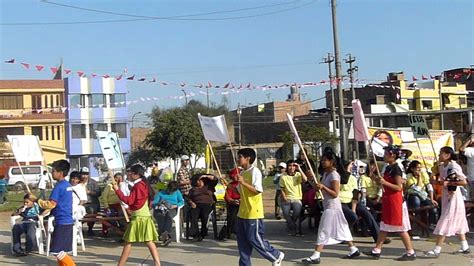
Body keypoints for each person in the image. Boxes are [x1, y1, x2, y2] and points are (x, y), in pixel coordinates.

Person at [301, 152, 360, 264]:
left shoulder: (334, 175)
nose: (323, 162)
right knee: (343, 228)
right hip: (328, 205)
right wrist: (311, 180)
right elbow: (318, 188)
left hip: (332, 207)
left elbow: (335, 193)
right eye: (322, 160)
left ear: (331, 162)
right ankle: (353, 249)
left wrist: (324, 187)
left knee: (323, 229)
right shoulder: (326, 174)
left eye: (325, 160)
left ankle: (316, 255)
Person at [364, 145, 416, 261]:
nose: (384, 156)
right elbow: (381, 183)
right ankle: (377, 250)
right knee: (384, 226)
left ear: (392, 155)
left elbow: (398, 187)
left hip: (396, 201)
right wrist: (373, 177)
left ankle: (410, 251)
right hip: (388, 200)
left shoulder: (397, 169)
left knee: (401, 228)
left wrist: (384, 182)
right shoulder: (388, 168)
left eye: (386, 153)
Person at [235, 148, 284, 266]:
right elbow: (240, 191)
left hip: (253, 212)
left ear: (248, 158)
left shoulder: (255, 171)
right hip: (242, 212)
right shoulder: (241, 173)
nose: (238, 159)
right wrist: (230, 185)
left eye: (240, 157)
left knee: (254, 239)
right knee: (242, 244)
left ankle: (275, 255)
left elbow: (257, 190)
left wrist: (244, 183)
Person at [424, 146, 470, 257]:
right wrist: (434, 179)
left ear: (447, 155)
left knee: (445, 220)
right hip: (446, 196)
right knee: (457, 219)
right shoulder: (441, 166)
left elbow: (464, 181)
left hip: (453, 197)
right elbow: (441, 180)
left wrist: (449, 183)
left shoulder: (454, 166)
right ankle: (465, 246)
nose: (439, 155)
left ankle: (437, 249)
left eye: (441, 153)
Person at [112, 164, 160, 266]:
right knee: (149, 241)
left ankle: (120, 265)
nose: (129, 174)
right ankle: (157, 263)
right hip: (145, 215)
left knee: (128, 242)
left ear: (136, 174)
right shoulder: (144, 184)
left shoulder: (138, 186)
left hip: (138, 217)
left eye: (131, 172)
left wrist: (117, 190)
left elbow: (129, 200)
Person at [37, 159, 75, 265]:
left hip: (62, 221)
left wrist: (37, 200)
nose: (51, 173)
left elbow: (51, 204)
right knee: (61, 251)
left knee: (56, 251)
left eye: (53, 171)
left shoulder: (59, 187)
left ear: (60, 173)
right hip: (67, 220)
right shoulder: (67, 185)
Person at [339, 162, 382, 244]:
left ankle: (378, 236)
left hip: (351, 202)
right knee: (351, 216)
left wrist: (354, 208)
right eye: (350, 167)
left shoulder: (353, 178)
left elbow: (355, 194)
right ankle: (344, 236)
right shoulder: (339, 177)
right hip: (340, 202)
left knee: (365, 211)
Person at [405, 160, 438, 226]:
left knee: (433, 207)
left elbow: (429, 186)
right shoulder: (409, 176)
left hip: (423, 195)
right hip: (413, 195)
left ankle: (431, 223)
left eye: (420, 167)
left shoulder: (424, 173)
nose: (419, 169)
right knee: (416, 202)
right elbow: (418, 188)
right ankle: (418, 219)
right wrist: (419, 177)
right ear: (412, 169)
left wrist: (432, 199)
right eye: (417, 168)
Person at [152, 181, 184, 246]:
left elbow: (182, 202)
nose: (170, 192)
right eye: (170, 190)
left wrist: (175, 205)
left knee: (168, 216)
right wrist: (159, 204)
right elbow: (154, 203)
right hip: (160, 209)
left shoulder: (177, 192)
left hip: (172, 208)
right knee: (160, 216)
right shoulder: (161, 193)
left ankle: (165, 234)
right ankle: (166, 235)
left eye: (172, 191)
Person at [188, 173, 218, 241]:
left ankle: (203, 233)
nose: (200, 182)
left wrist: (205, 176)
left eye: (201, 180)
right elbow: (188, 198)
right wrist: (191, 202)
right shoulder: (193, 189)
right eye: (198, 180)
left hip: (207, 204)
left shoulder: (209, 186)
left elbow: (215, 179)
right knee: (193, 215)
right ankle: (195, 234)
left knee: (205, 215)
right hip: (196, 204)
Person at [280, 160, 307, 236]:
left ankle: (292, 225)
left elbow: (305, 179)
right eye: (290, 166)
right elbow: (281, 188)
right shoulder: (283, 176)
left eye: (293, 166)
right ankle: (292, 226)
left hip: (296, 198)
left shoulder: (298, 175)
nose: (292, 168)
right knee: (285, 213)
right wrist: (284, 197)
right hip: (286, 198)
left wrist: (299, 169)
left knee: (297, 212)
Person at [80, 167, 101, 236]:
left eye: (86, 174)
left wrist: (89, 192)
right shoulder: (77, 182)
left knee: (92, 211)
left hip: (92, 203)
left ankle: (90, 228)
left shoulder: (93, 182)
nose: (84, 176)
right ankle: (79, 227)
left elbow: (98, 193)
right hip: (80, 203)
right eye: (83, 174)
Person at [224, 168, 240, 239]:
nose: (235, 177)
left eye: (236, 175)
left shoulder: (243, 184)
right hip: (233, 203)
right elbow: (227, 197)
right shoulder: (230, 185)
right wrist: (232, 201)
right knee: (233, 213)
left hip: (243, 203)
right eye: (234, 176)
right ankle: (233, 231)